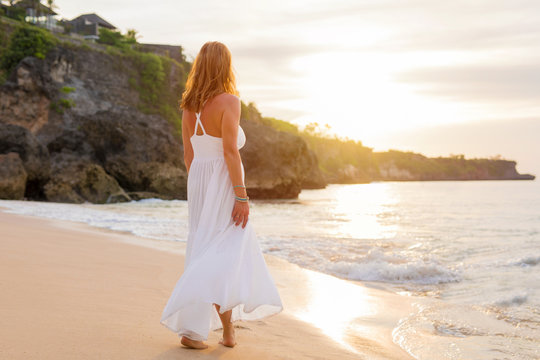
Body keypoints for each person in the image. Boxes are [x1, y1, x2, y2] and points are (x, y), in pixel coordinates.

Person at [160, 41, 283, 349]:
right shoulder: (230, 101)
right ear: (225, 66)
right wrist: (240, 196)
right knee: (226, 251)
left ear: (200, 65)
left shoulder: (190, 105)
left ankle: (219, 331)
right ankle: (204, 330)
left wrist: (200, 187)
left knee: (207, 248)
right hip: (221, 180)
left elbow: (188, 155)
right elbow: (229, 151)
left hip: (199, 180)